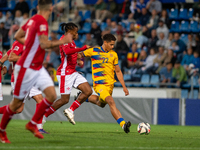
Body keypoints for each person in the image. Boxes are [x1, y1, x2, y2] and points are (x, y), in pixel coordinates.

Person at [0, 0, 73, 143]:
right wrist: (63, 41)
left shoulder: (31, 20)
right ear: (51, 8)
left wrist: (30, 43)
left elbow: (17, 36)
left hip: (37, 67)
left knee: (51, 95)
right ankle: (2, 131)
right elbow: (45, 44)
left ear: (38, 7)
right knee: (16, 106)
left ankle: (33, 124)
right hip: (26, 68)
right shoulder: (42, 22)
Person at [74, 33, 131, 133]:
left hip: (110, 85)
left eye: (113, 45)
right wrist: (79, 60)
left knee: (102, 103)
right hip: (100, 85)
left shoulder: (113, 54)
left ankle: (84, 97)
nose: (113, 47)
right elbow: (79, 54)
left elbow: (118, 71)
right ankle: (123, 125)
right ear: (105, 42)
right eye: (111, 44)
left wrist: (124, 86)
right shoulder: (93, 51)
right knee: (111, 101)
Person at [43, 23, 92, 126]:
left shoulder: (71, 41)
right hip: (65, 73)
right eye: (76, 32)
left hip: (72, 72)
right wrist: (82, 48)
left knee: (88, 91)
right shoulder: (64, 39)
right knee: (64, 100)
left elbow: (71, 54)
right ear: (70, 31)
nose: (77, 34)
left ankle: (70, 110)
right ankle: (43, 116)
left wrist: (78, 60)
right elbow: (67, 52)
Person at [0, 41, 48, 134]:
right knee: (18, 108)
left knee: (39, 99)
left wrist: (1, 62)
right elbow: (12, 57)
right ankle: (38, 127)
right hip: (19, 78)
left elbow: (9, 52)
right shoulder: (20, 42)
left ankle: (39, 127)